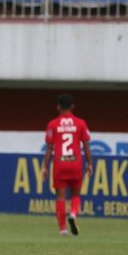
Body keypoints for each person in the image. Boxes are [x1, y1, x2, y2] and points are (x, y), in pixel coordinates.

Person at [41, 94, 93, 236]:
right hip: (75, 163)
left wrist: (44, 166)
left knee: (60, 197)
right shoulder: (81, 123)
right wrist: (89, 164)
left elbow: (49, 148)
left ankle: (63, 230)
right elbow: (87, 146)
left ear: (58, 107)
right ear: (72, 106)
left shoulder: (52, 124)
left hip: (60, 163)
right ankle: (74, 214)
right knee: (76, 194)